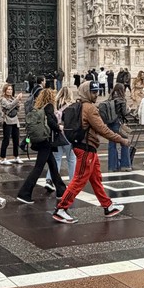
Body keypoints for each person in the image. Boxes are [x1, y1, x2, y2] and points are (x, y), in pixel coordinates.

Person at [53, 80, 131, 223]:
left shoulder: (80, 105)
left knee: (96, 179)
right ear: (86, 92)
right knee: (79, 180)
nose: (96, 95)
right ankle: (61, 209)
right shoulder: (89, 108)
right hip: (86, 148)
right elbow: (103, 129)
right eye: (93, 92)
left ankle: (108, 206)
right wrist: (121, 139)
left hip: (87, 147)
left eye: (96, 91)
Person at [17, 87, 65, 202]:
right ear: (50, 97)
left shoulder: (38, 107)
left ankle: (61, 190)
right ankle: (24, 193)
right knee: (38, 168)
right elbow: (50, 122)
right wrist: (59, 127)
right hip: (46, 140)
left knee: (53, 166)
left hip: (42, 140)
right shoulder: (49, 107)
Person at [103, 84, 133, 172]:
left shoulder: (110, 99)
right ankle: (125, 165)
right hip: (118, 123)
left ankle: (112, 166)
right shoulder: (121, 100)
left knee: (112, 144)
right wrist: (129, 109)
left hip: (110, 124)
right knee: (124, 142)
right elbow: (124, 113)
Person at [53, 85, 76, 178]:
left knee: (57, 158)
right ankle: (72, 181)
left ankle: (50, 179)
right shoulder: (72, 105)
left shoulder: (55, 104)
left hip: (57, 132)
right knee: (71, 159)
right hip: (68, 133)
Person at [0, 83, 22, 164]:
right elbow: (8, 106)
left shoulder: (13, 98)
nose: (10, 91)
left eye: (11, 89)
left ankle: (16, 156)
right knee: (6, 139)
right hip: (7, 120)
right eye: (8, 89)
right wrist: (16, 100)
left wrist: (18, 104)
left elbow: (18, 109)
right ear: (5, 90)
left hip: (15, 120)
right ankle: (3, 157)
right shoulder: (3, 99)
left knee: (16, 139)